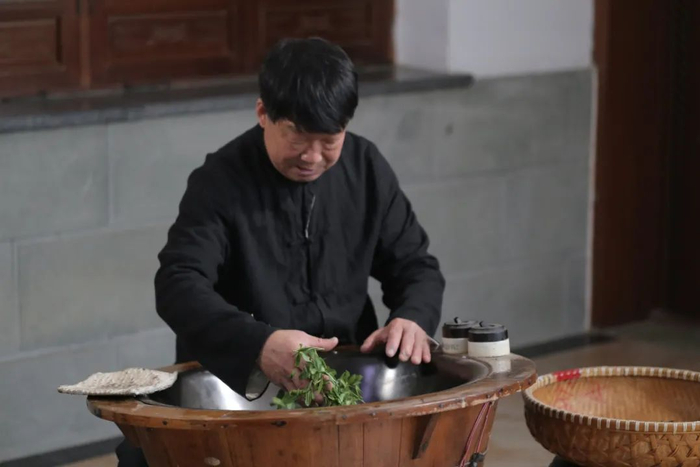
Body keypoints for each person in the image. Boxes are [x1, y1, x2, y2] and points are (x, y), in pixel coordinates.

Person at [116, 37, 445, 466]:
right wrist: (260, 343)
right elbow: (178, 285)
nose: (313, 157)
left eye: (330, 140)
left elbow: (416, 266)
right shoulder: (220, 180)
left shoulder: (366, 168)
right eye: (297, 136)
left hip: (345, 388)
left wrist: (412, 318)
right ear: (262, 114)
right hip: (239, 396)